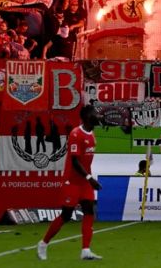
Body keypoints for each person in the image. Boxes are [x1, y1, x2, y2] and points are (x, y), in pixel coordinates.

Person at [37, 105, 103, 261]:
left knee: (89, 211)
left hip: (85, 182)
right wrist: (89, 178)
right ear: (87, 117)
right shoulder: (75, 134)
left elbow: (86, 161)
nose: (98, 116)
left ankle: (85, 250)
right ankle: (43, 243)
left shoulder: (92, 134)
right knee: (66, 215)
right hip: (72, 182)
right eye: (95, 113)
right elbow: (74, 161)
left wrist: (88, 179)